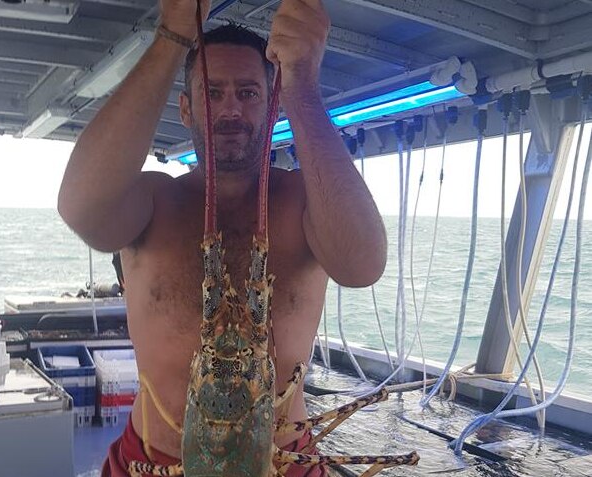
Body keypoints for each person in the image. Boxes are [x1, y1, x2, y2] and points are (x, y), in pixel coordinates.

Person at [58, 0, 387, 475]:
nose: (231, 108)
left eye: (250, 93)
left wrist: (301, 86)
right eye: (212, 92)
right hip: (156, 460)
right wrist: (172, 35)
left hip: (278, 460)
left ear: (270, 106)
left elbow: (363, 265)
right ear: (186, 110)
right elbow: (82, 209)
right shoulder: (152, 201)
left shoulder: (304, 200)